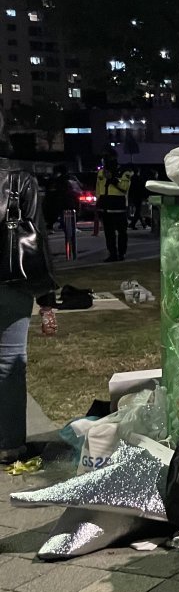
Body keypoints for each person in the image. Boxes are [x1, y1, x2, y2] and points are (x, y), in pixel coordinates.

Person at [0, 166, 54, 463]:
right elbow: (37, 238)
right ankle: (9, 445)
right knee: (9, 362)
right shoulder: (19, 179)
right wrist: (45, 298)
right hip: (10, 281)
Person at [96, 153, 132, 262]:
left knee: (122, 232)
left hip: (118, 207)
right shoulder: (101, 172)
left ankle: (121, 253)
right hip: (105, 207)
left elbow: (125, 187)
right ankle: (112, 254)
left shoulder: (123, 172)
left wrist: (113, 179)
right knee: (109, 233)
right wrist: (98, 204)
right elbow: (98, 188)